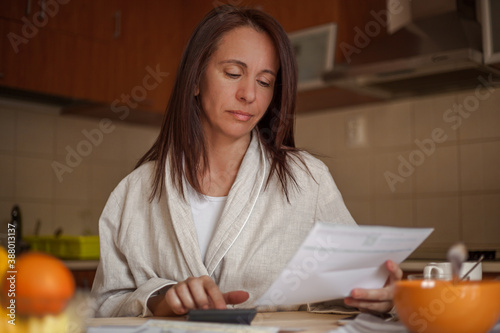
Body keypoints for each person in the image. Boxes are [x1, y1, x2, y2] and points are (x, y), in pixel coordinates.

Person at [91, 4, 402, 318]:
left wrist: (380, 294)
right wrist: (159, 299)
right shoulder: (134, 192)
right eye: (233, 73)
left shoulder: (309, 179)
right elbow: (103, 305)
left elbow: (357, 287)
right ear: (195, 80)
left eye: (265, 82)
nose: (249, 94)